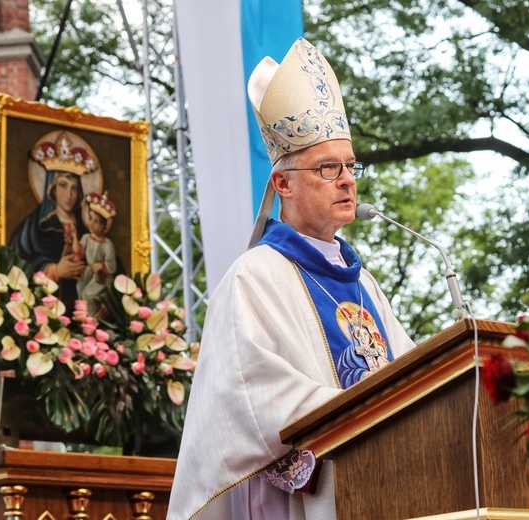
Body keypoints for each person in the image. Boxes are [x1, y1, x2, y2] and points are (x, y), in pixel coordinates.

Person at [167, 38, 416, 520]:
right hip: (299, 499)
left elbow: (411, 376)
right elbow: (247, 392)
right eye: (328, 167)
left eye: (350, 165)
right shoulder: (253, 277)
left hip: (383, 481)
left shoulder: (363, 283)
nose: (347, 179)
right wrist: (361, 411)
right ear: (283, 183)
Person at [10, 132, 94, 312]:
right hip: (49, 311)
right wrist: (55, 270)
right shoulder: (35, 227)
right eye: (63, 185)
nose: (69, 195)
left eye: (74, 188)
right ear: (52, 189)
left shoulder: (87, 228)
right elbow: (17, 262)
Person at [76, 191, 117, 315]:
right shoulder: (86, 238)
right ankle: (82, 318)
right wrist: (72, 238)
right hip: (88, 272)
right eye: (91, 219)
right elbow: (79, 252)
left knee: (88, 294)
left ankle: (92, 319)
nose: (91, 224)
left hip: (101, 277)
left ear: (103, 226)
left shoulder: (107, 244)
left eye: (96, 221)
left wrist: (100, 266)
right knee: (79, 288)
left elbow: (112, 265)